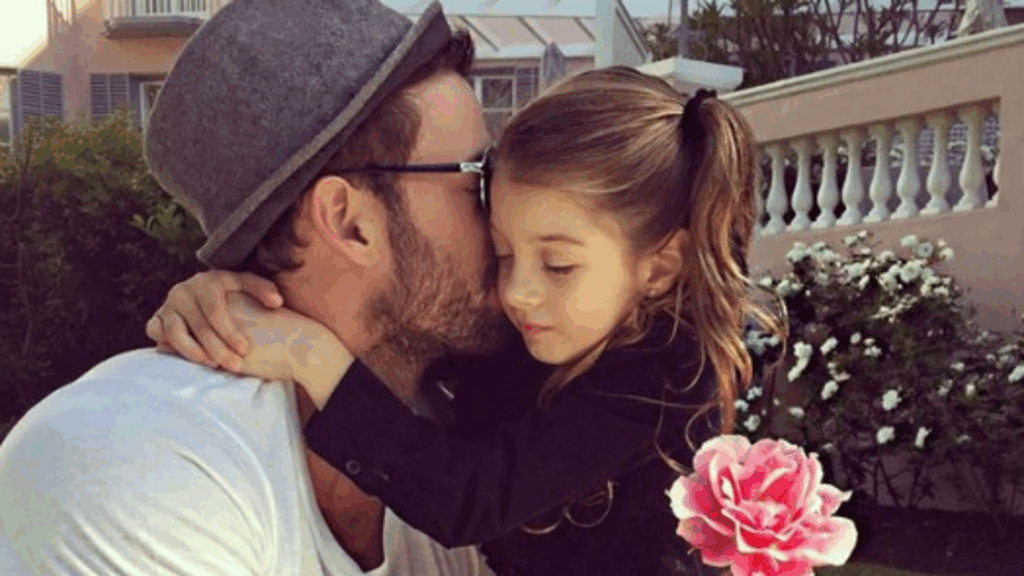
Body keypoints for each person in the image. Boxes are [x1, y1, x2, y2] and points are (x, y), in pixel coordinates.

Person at [147, 67, 787, 575]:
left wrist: (309, 355)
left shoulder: (663, 379)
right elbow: (401, 326)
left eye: (558, 264)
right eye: (504, 253)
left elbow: (471, 498)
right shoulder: (562, 328)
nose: (519, 292)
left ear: (659, 267)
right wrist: (230, 294)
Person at [0, 0, 507, 573]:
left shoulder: (475, 429)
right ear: (348, 223)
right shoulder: (136, 460)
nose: (508, 213)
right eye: (480, 179)